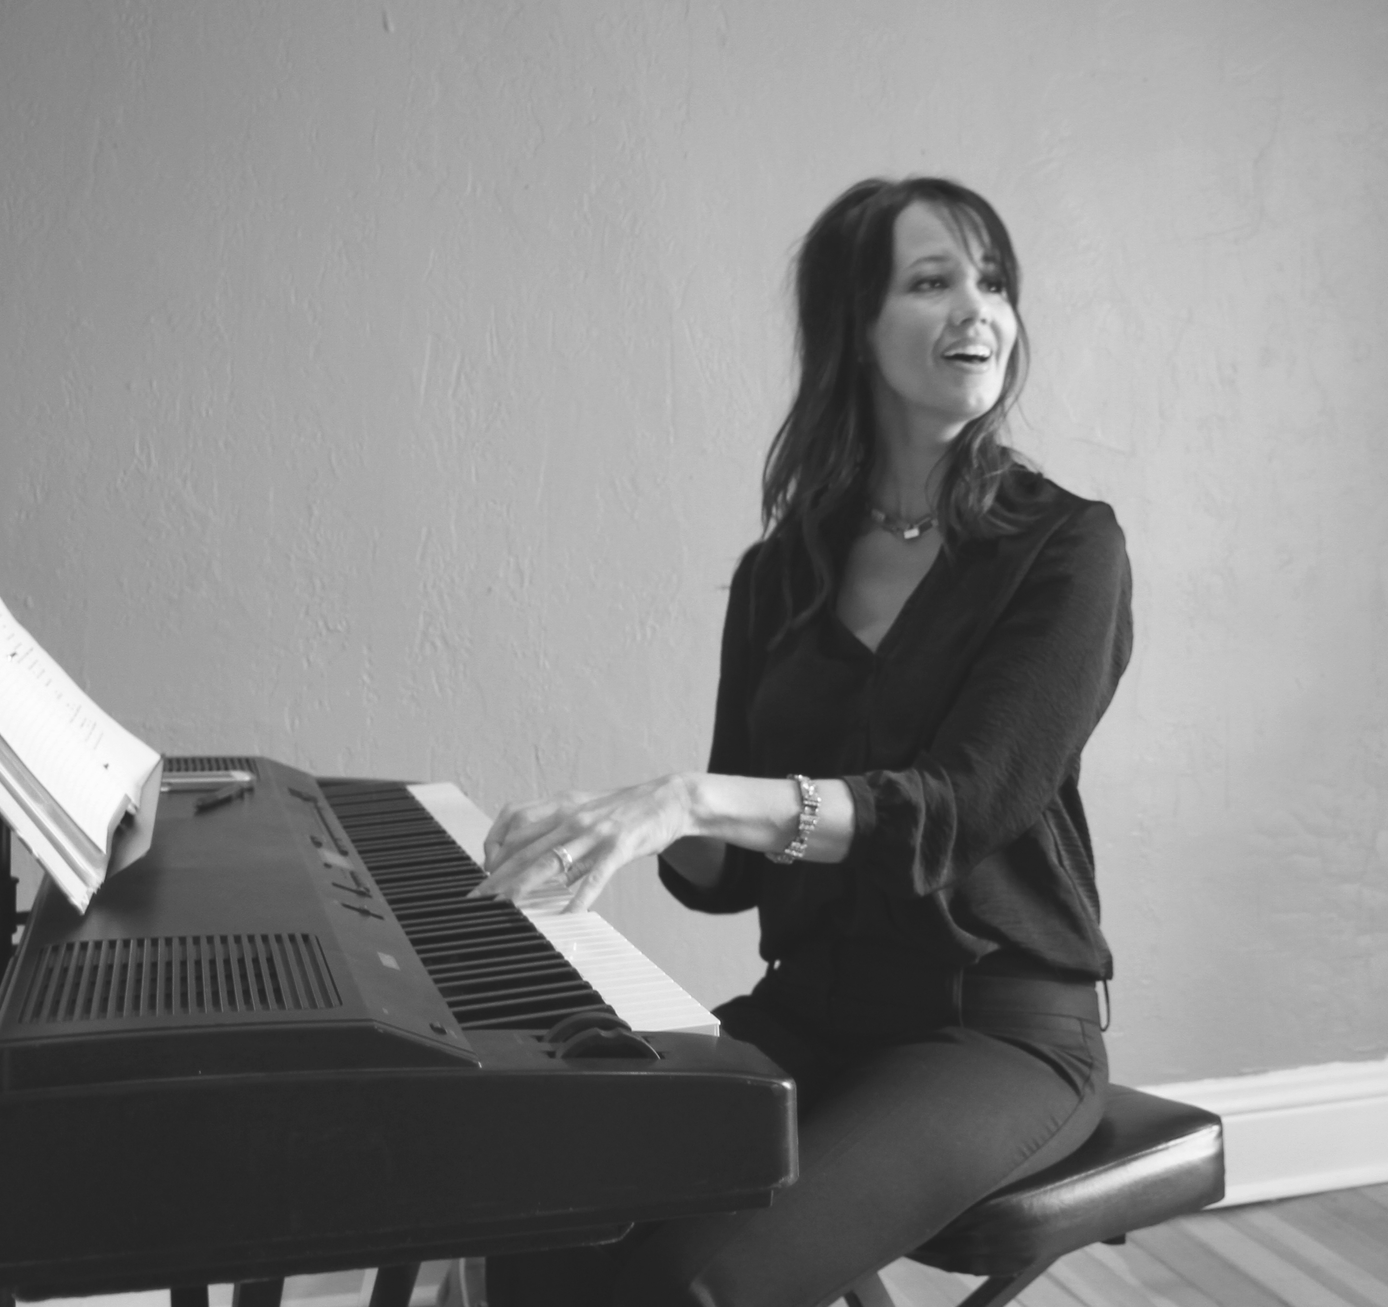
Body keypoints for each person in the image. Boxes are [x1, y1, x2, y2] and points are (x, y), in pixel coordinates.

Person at [474, 176, 1132, 1307]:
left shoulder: (1067, 549)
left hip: (997, 1028)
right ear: (854, 324)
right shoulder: (779, 573)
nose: (978, 309)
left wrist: (685, 797)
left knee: (699, 1284)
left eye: (994, 282)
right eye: (933, 281)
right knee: (544, 1217)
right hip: (811, 1008)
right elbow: (732, 873)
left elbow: (958, 807)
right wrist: (615, 829)